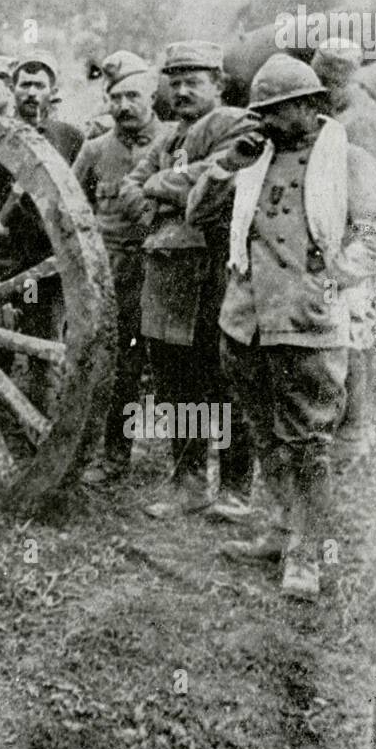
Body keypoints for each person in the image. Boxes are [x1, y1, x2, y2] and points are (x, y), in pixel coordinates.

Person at [187, 54, 376, 600]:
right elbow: (196, 215)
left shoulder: (350, 161)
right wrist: (226, 166)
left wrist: (336, 275)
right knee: (266, 434)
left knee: (309, 444)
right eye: (260, 111)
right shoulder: (252, 156)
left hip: (307, 324)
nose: (265, 121)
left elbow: (375, 237)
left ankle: (307, 551)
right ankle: (279, 528)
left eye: (277, 111)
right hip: (245, 322)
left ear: (310, 105)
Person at [118, 41, 257, 519]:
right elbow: (127, 189)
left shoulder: (235, 123)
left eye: (192, 81)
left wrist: (163, 186)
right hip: (164, 271)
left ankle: (236, 486)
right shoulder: (167, 138)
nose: (181, 91)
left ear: (216, 84)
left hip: (214, 271)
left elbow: (219, 175)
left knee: (223, 379)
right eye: (173, 82)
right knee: (176, 382)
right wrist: (164, 197)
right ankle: (188, 481)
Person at [72, 52, 173, 485]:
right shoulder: (94, 150)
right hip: (114, 274)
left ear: (151, 95)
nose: (124, 105)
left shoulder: (174, 141)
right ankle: (114, 457)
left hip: (165, 271)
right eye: (115, 97)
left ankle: (181, 465)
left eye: (133, 95)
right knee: (119, 368)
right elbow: (71, 209)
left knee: (173, 367)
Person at [310, 39, 376, 461]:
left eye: (325, 83)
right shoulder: (342, 115)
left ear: (341, 80)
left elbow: (371, 197)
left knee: (356, 334)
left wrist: (358, 254)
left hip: (360, 242)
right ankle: (340, 425)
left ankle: (356, 431)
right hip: (337, 240)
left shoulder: (363, 122)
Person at [11, 50, 84, 162]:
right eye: (25, 85)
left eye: (39, 86)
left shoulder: (70, 136)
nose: (31, 93)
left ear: (53, 93)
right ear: (12, 89)